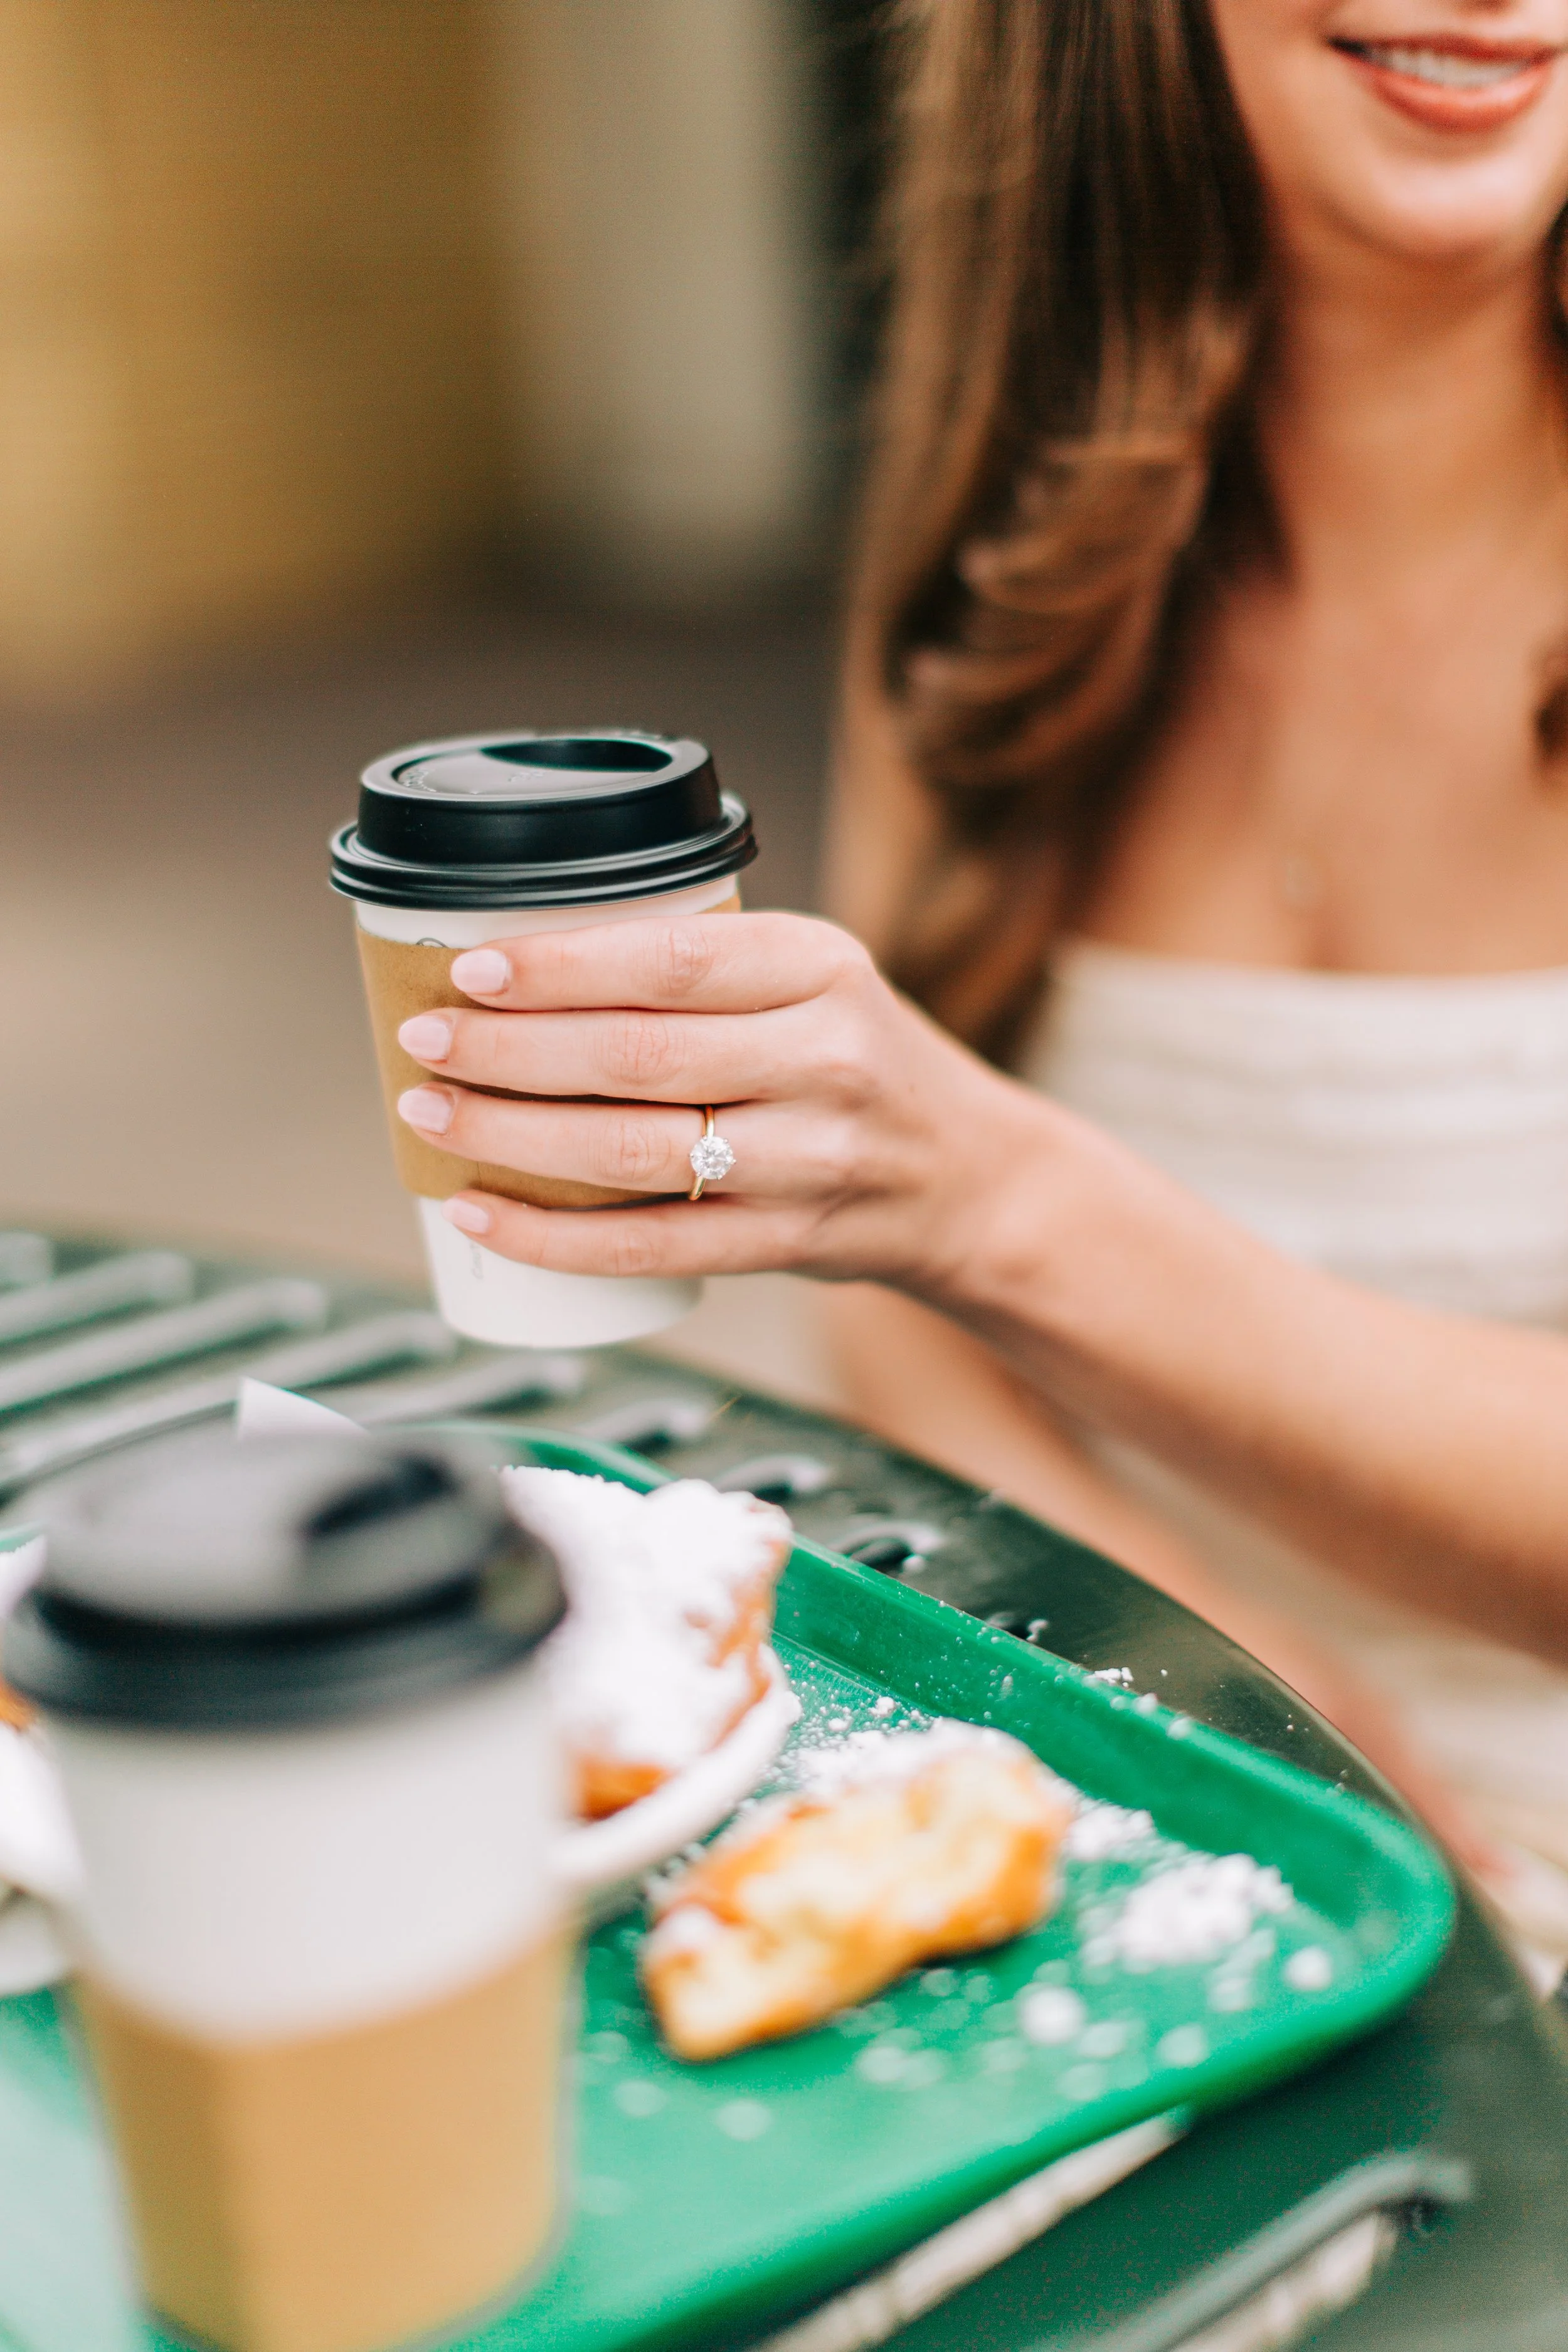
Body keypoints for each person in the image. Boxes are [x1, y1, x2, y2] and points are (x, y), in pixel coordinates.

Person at [391, 0, 1568, 1973]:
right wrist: (1222, 1682)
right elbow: (909, 1333)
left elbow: (951, 1214)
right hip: (1146, 1796)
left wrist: (996, 1197)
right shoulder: (1010, 541)